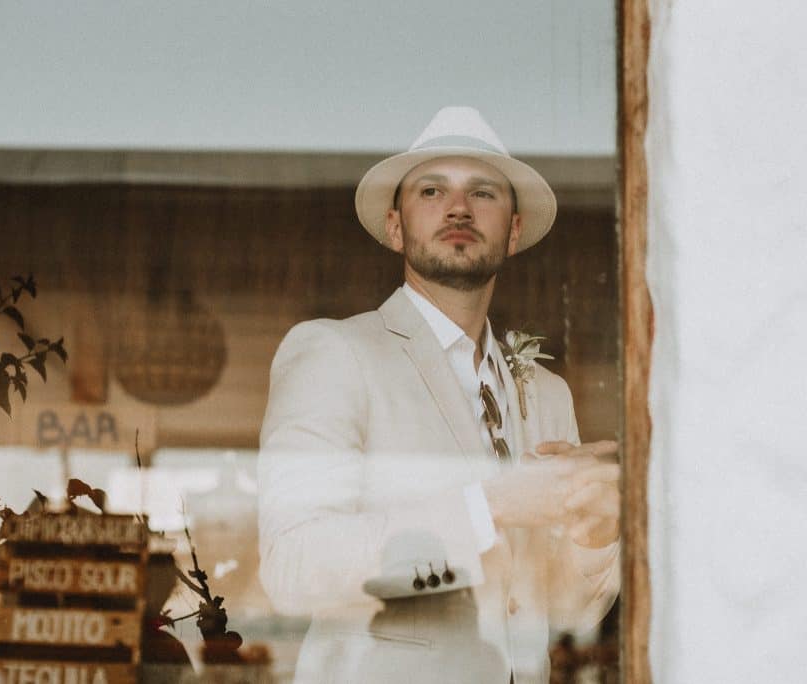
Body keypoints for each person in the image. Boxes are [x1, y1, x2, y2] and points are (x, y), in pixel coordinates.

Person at [257, 107, 620, 684]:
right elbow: (293, 567)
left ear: (515, 229)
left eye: (482, 192)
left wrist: (596, 532)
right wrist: (492, 505)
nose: (458, 207)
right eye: (432, 190)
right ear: (397, 226)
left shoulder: (547, 394)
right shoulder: (335, 353)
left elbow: (566, 612)